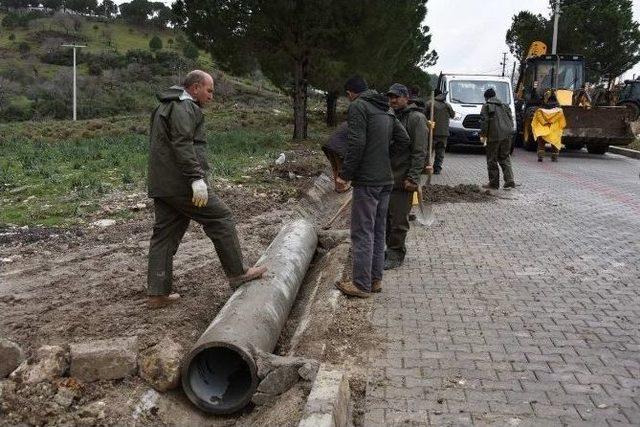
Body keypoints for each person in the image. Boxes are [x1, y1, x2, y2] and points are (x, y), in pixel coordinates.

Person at [146, 70, 266, 308]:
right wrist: (196, 179)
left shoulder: (164, 106)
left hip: (162, 184)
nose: (212, 96)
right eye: (209, 90)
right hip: (182, 184)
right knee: (221, 218)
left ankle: (158, 294)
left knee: (164, 235)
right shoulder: (184, 107)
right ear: (195, 88)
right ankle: (237, 272)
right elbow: (183, 143)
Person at [335, 76, 410, 298]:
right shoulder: (385, 108)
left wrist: (345, 175)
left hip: (367, 181)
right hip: (386, 180)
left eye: (348, 96)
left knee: (362, 232)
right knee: (378, 231)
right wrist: (384, 158)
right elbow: (404, 139)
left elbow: (356, 143)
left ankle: (360, 284)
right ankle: (375, 280)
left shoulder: (359, 106)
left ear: (350, 93)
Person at [385, 83, 428, 270]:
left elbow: (419, 151)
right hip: (387, 177)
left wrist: (413, 178)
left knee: (398, 220)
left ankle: (396, 253)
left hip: (404, 179)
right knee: (386, 217)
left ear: (406, 98)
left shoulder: (416, 118)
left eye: (397, 96)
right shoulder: (390, 116)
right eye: (390, 97)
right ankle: (389, 249)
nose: (393, 100)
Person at [479, 88, 516, 190]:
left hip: (494, 136)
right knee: (504, 157)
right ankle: (509, 181)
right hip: (507, 135)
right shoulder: (505, 105)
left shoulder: (486, 106)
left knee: (492, 159)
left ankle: (494, 184)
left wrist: (483, 135)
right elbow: (511, 120)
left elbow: (484, 122)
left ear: (487, 97)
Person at [425, 88, 455, 174]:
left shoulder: (429, 103)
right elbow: (453, 115)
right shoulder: (447, 105)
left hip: (432, 132)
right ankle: (437, 169)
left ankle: (426, 168)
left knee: (428, 151)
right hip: (444, 133)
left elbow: (423, 116)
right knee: (440, 152)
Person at [321, 121, 349, 191]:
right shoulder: (357, 125)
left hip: (328, 145)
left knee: (335, 167)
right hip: (337, 148)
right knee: (340, 167)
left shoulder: (347, 123)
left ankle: (337, 186)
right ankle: (341, 187)